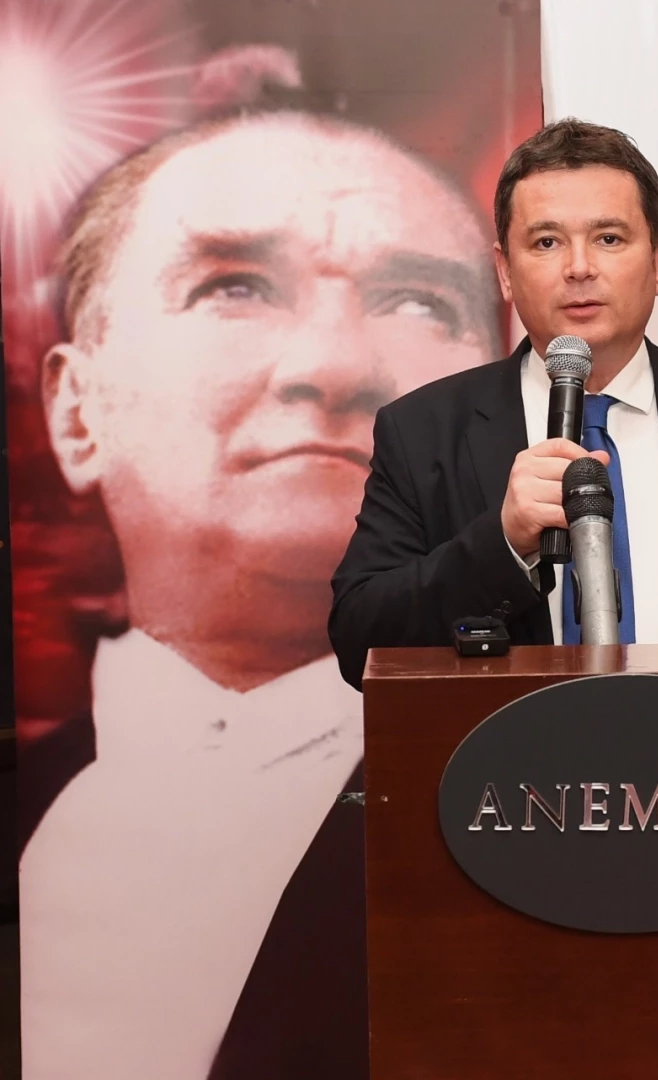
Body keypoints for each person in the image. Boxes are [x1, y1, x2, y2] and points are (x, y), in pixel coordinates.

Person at [21, 106, 502, 1079]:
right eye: (232, 287)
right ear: (77, 412)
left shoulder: (560, 806)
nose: (334, 365)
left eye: (420, 304)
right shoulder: (26, 802)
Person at [328, 118, 658, 682]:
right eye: (546, 243)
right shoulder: (424, 430)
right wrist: (503, 542)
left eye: (609, 239)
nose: (579, 268)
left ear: (657, 264)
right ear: (505, 272)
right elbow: (359, 641)